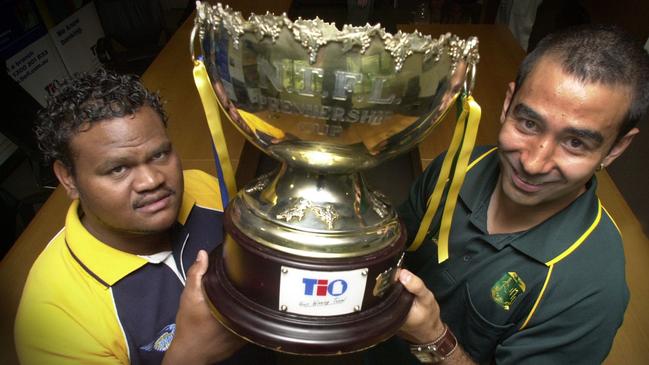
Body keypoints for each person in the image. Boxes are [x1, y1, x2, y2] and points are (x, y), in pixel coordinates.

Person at [366, 24, 649, 364]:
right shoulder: (459, 166)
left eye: (575, 143)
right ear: (507, 104)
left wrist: (433, 338)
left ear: (616, 149)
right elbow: (392, 245)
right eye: (528, 123)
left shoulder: (590, 290)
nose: (533, 162)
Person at [14, 69, 274, 364]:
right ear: (69, 178)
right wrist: (189, 355)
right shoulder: (54, 317)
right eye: (118, 169)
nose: (152, 180)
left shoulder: (203, 189)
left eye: (159, 155)